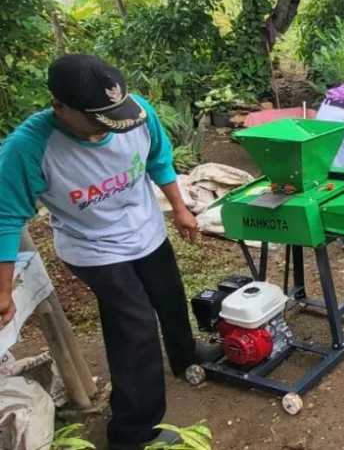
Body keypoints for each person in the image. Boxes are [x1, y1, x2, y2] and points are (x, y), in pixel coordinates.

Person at [0, 55, 220, 449]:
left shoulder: (133, 114)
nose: (110, 128)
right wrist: (2, 291)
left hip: (146, 230)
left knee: (169, 297)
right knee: (133, 327)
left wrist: (182, 209)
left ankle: (186, 355)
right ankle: (132, 433)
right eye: (97, 120)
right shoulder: (28, 149)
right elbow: (6, 218)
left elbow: (158, 159)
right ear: (60, 107)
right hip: (94, 248)